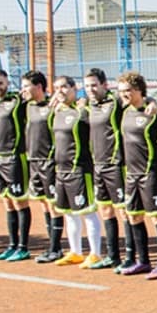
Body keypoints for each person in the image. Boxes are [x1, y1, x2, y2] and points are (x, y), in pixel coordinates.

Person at [117, 71, 157, 279]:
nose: (124, 95)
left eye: (128, 91)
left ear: (139, 91)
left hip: (151, 173)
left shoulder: (153, 112)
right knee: (133, 216)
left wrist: (155, 104)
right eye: (121, 91)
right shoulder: (124, 111)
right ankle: (143, 261)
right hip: (131, 174)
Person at [49, 75, 102, 267]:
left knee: (87, 212)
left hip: (80, 169)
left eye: (64, 87)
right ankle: (75, 251)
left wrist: (84, 104)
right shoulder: (57, 111)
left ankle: (95, 253)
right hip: (61, 171)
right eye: (57, 88)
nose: (60, 91)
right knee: (69, 213)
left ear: (74, 88)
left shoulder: (84, 110)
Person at [84, 67, 134, 270]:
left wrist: (154, 104)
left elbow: (139, 101)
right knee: (105, 210)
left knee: (125, 212)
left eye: (94, 85)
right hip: (98, 166)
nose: (91, 89)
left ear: (105, 85)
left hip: (116, 165)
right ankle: (113, 256)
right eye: (87, 86)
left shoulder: (116, 103)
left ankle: (131, 256)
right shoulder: (89, 105)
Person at [0, 69, 33, 261]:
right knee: (7, 203)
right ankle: (12, 244)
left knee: (20, 201)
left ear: (7, 83)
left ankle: (23, 246)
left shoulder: (17, 100)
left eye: (0, 83)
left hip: (15, 158)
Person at [20, 70, 64, 263]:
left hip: (49, 162)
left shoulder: (53, 106)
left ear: (38, 87)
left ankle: (56, 248)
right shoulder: (27, 106)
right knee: (44, 204)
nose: (23, 90)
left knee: (53, 205)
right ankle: (52, 246)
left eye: (26, 86)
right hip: (34, 161)